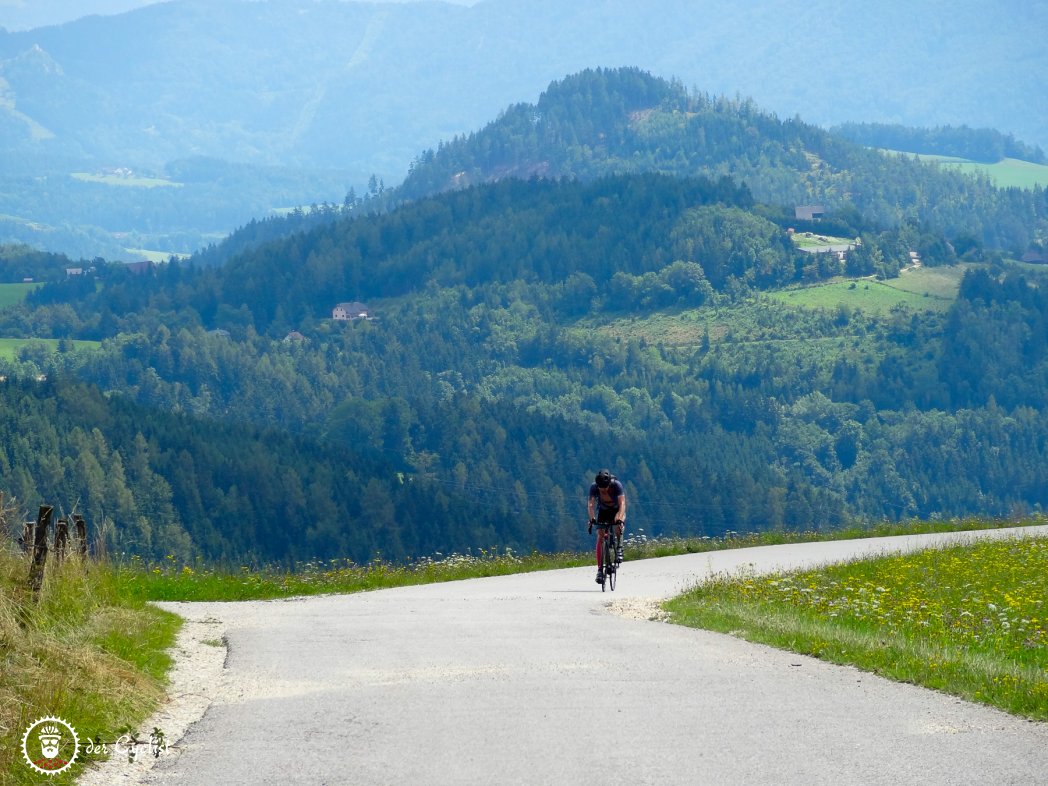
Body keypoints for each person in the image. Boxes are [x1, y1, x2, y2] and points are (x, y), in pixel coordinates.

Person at [587, 469, 626, 584]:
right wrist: (592, 518)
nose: (603, 491)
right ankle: (600, 570)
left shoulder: (616, 485)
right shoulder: (594, 487)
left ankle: (619, 546)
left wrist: (619, 518)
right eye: (601, 489)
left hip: (616, 509)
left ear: (609, 484)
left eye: (605, 488)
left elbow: (622, 504)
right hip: (603, 511)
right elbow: (590, 505)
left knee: (618, 524)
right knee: (600, 536)